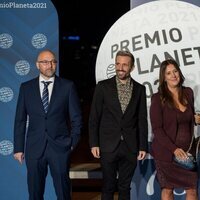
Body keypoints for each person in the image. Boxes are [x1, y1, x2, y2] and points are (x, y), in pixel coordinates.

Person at [13, 49, 82, 200]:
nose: (50, 65)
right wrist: (18, 148)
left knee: (63, 193)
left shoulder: (67, 86)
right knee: (35, 193)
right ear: (38, 65)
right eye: (45, 62)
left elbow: (76, 118)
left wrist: (71, 143)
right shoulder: (26, 88)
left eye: (53, 62)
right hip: (34, 148)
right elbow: (20, 119)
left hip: (60, 147)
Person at [89, 50, 148, 200]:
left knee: (124, 187)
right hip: (108, 145)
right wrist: (94, 143)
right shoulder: (102, 87)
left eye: (125, 65)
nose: (120, 68)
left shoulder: (140, 89)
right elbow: (94, 118)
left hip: (130, 146)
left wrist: (143, 146)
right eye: (118, 63)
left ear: (132, 67)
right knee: (108, 186)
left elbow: (142, 119)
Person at [150, 59, 199, 200]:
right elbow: (157, 129)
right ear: (164, 77)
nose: (173, 75)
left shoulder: (188, 93)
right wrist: (174, 149)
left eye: (175, 71)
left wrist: (196, 119)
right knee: (167, 191)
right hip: (167, 153)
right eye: (169, 73)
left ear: (179, 72)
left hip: (187, 153)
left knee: (192, 190)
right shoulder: (158, 99)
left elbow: (189, 117)